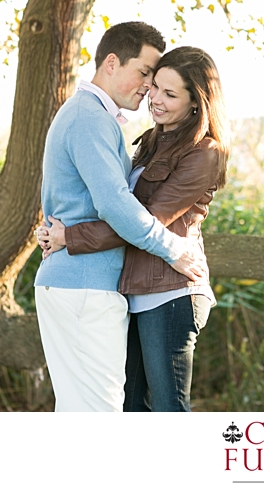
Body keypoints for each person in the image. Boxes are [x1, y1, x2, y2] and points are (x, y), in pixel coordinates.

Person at [39, 46, 229, 412]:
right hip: (135, 291)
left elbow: (142, 218)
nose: (153, 98)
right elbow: (109, 204)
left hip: (172, 291)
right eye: (154, 85)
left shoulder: (204, 152)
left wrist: (71, 238)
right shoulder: (151, 142)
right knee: (130, 409)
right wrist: (54, 230)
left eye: (169, 94)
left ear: (196, 103)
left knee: (168, 408)